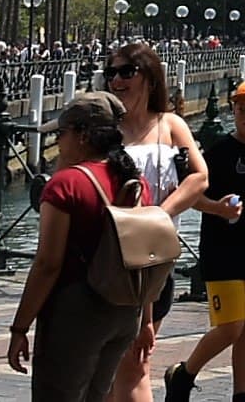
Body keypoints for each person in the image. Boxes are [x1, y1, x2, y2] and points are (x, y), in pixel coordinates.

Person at [8, 93, 152, 402]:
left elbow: (48, 264)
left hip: (76, 312)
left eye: (61, 134)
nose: (58, 143)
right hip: (126, 312)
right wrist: (147, 319)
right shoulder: (135, 182)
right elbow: (144, 258)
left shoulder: (66, 185)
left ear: (83, 135)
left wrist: (19, 327)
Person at [164, 80, 245, 402]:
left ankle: (241, 395)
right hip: (221, 249)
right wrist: (216, 207)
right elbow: (188, 195)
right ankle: (184, 373)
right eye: (242, 109)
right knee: (231, 326)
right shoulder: (217, 152)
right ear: (232, 109)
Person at [105, 43, 207, 402]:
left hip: (157, 261)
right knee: (114, 368)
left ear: (149, 77)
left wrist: (159, 214)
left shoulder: (170, 125)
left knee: (134, 364)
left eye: (126, 72)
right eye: (112, 73)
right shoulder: (107, 131)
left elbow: (199, 177)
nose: (117, 80)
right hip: (112, 260)